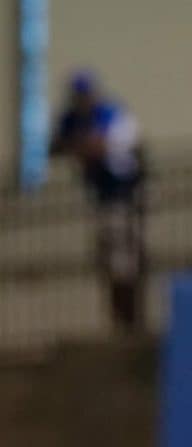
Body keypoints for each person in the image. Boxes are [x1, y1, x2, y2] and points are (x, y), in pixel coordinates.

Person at [50, 70, 147, 334]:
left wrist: (81, 146)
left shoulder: (111, 114)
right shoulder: (73, 119)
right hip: (101, 202)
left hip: (123, 198)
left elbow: (105, 146)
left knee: (126, 265)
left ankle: (131, 323)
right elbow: (54, 145)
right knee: (109, 265)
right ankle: (120, 323)